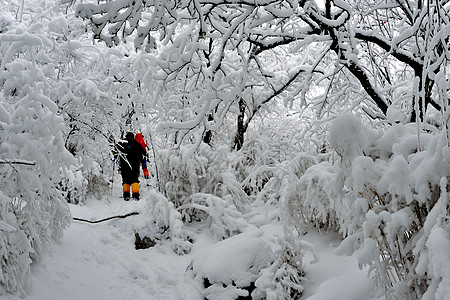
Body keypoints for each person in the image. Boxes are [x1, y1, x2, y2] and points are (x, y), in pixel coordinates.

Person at [117, 132, 146, 200]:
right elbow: (143, 153)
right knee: (134, 180)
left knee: (125, 180)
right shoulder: (137, 144)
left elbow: (116, 151)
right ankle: (135, 195)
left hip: (124, 166)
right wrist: (141, 162)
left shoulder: (122, 143)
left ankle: (126, 195)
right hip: (135, 166)